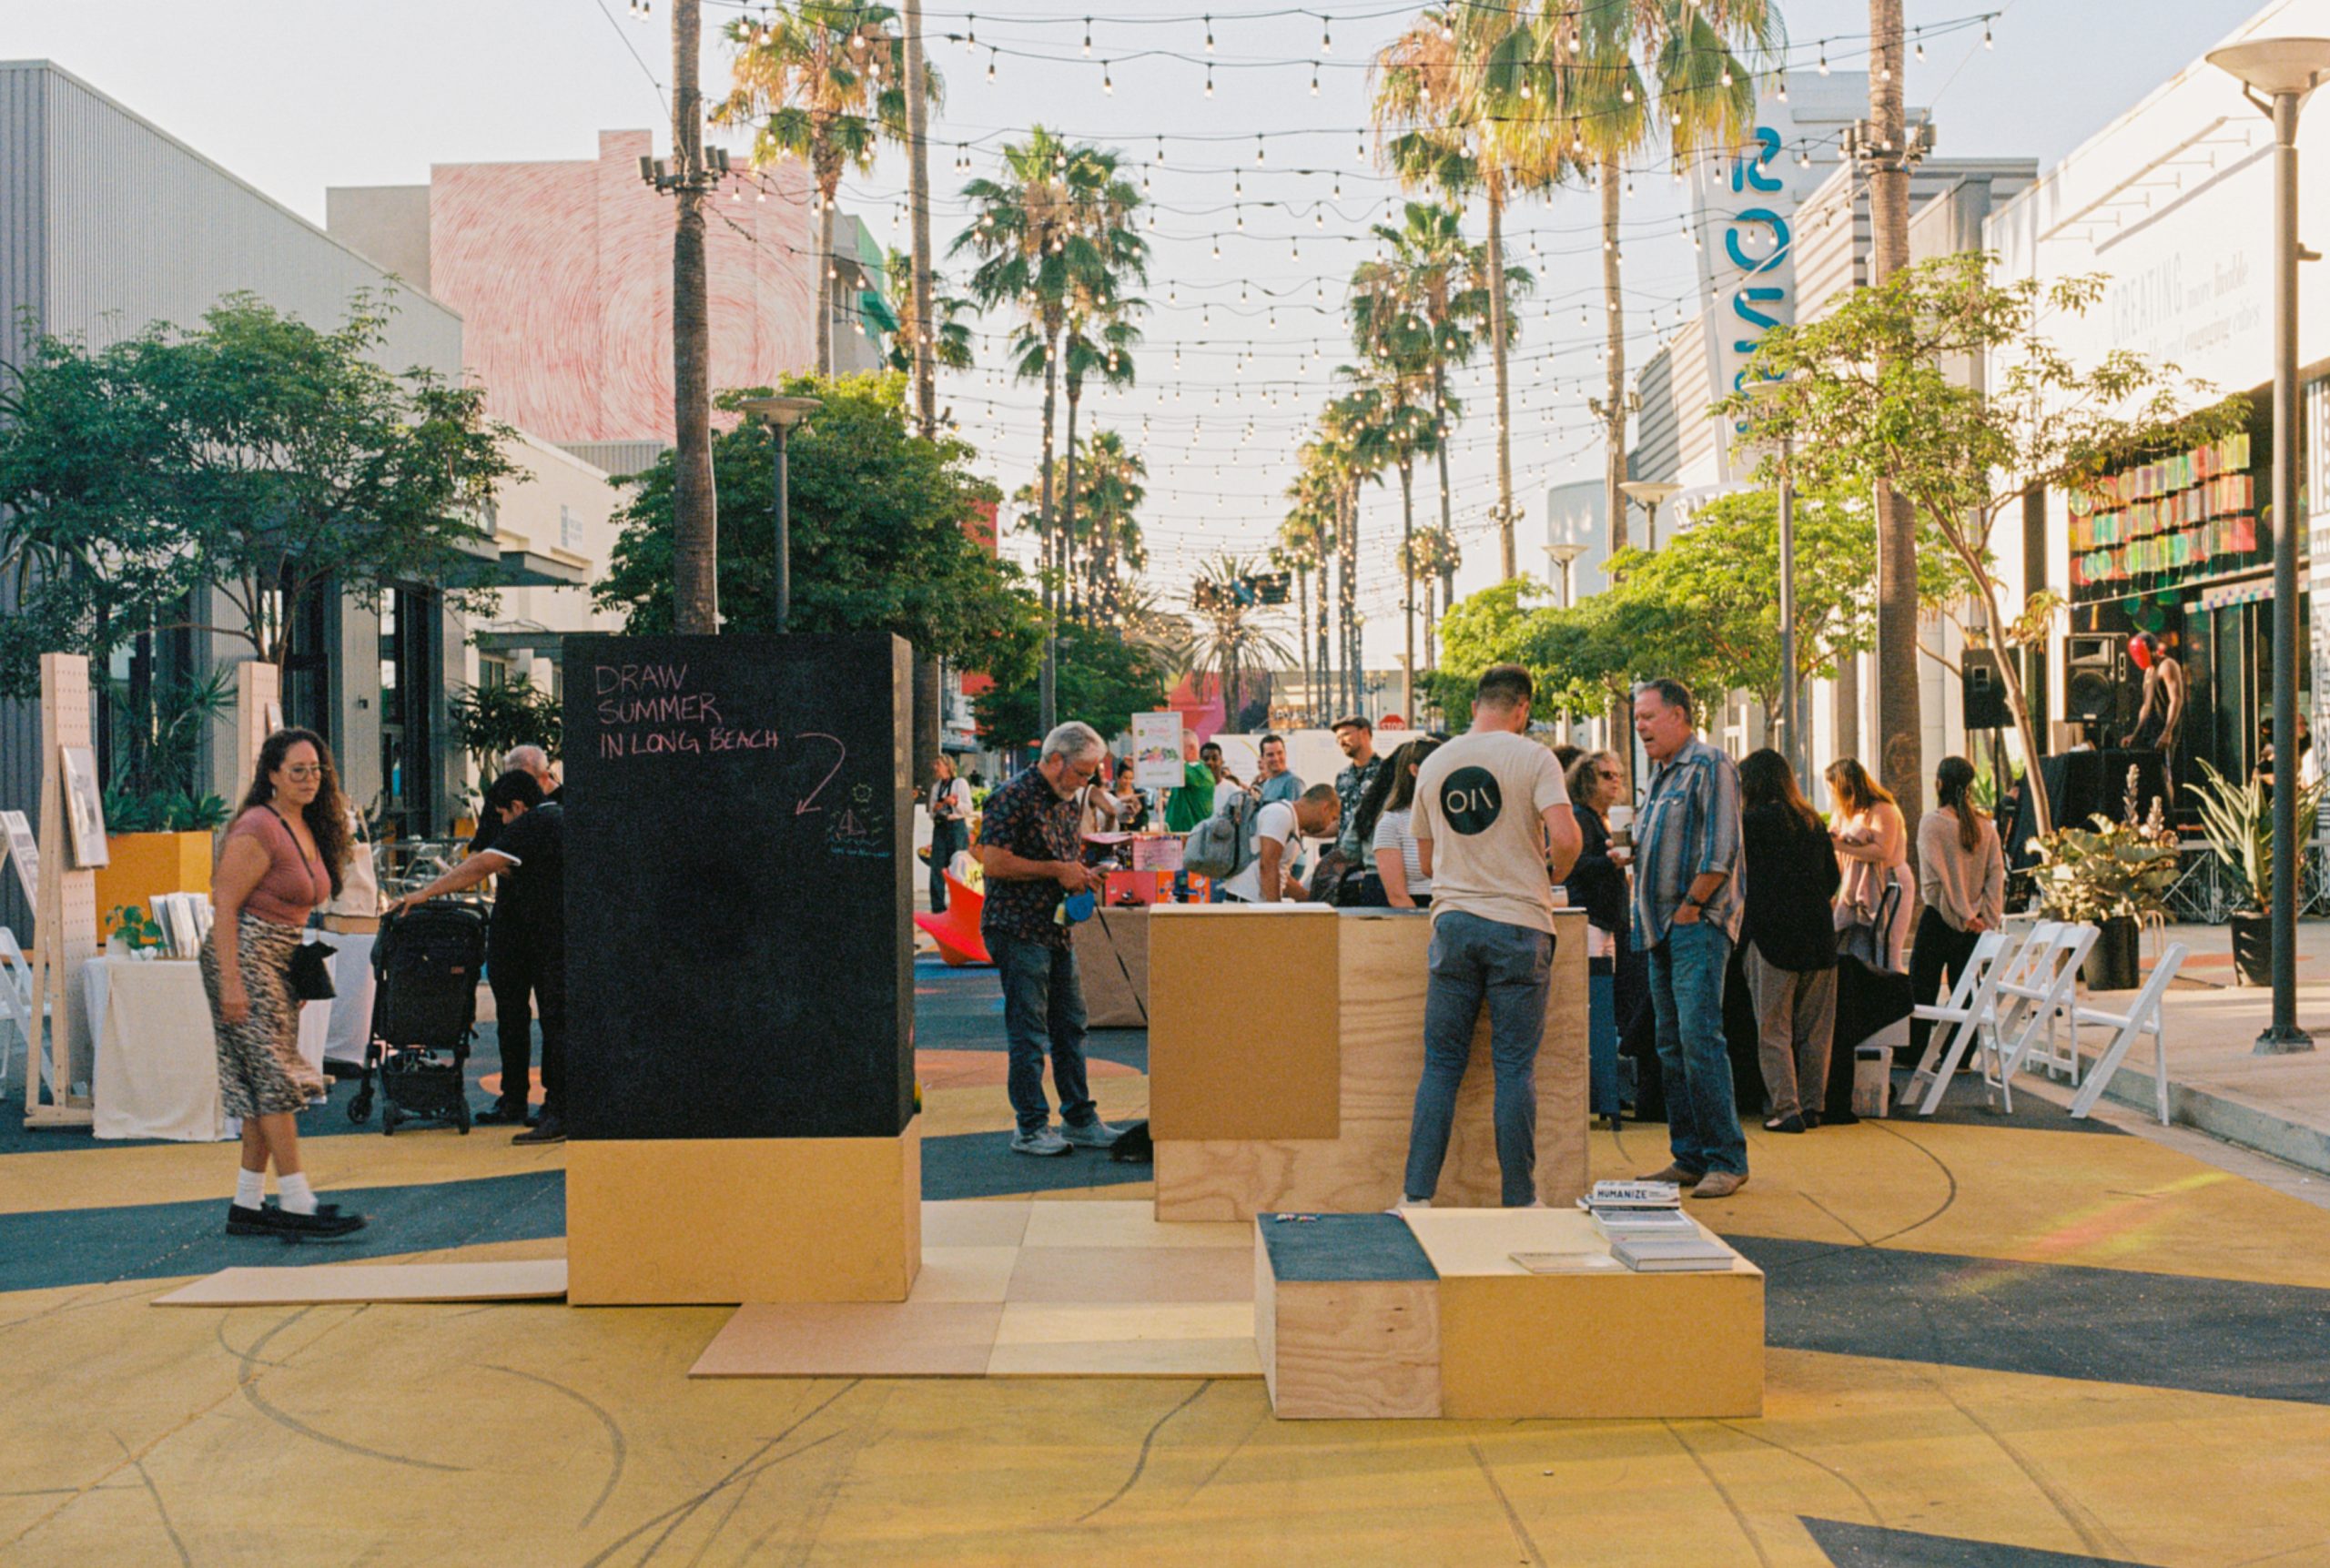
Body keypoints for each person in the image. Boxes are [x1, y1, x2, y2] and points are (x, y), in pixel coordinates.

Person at [1399, 665, 1583, 1209]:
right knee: (1513, 1068)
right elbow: (1568, 838)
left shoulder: (1435, 762)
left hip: (1453, 923)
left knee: (1441, 1066)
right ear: (1522, 707)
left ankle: (1415, 1197)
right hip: (1521, 925)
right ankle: (1520, 1201)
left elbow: (1426, 860)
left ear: (1478, 704)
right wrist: (1548, 874)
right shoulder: (1534, 758)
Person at [205, 728, 364, 1239]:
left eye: (316, 769)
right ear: (271, 775)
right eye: (297, 770)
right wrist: (232, 981)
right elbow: (225, 905)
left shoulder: (307, 823)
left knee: (259, 1087)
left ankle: (248, 1203)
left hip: (279, 957)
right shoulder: (259, 826)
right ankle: (297, 1200)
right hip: (245, 952)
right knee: (276, 1081)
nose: (310, 779)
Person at [387, 770, 570, 1143]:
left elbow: (481, 864)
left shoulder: (535, 820)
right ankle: (556, 1105)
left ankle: (560, 1110)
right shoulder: (562, 817)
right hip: (560, 935)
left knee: (554, 1020)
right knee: (556, 1019)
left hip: (548, 936)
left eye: (503, 814)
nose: (502, 822)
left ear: (518, 806)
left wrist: (426, 893)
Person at [976, 723, 1127, 1157]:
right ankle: (1030, 1127)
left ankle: (1078, 1118)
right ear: (1056, 759)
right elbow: (994, 863)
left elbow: (1059, 856)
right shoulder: (1011, 795)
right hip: (1016, 926)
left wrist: (1079, 876)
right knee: (1028, 1029)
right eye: (1083, 772)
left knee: (1070, 1025)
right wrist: (1057, 872)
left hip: (1054, 926)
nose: (1088, 782)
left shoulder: (1066, 798)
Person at [1631, 679, 1748, 1199]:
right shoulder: (1659, 775)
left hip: (1695, 926)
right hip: (1660, 929)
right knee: (1671, 1045)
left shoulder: (1709, 765)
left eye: (1649, 717)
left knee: (1700, 1040)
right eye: (1637, 718)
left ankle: (1726, 1159)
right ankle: (1690, 1157)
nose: (1640, 726)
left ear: (1680, 715)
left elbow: (1719, 849)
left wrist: (1692, 906)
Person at [1737, 749, 1841, 1134]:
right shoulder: (1811, 821)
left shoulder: (1749, 822)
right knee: (1816, 1029)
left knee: (1773, 1027)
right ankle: (1815, 1105)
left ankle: (1786, 1107)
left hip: (1770, 935)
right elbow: (1832, 877)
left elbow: (1737, 878)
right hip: (1819, 936)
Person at [1908, 755, 2006, 1067]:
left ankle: (1914, 1052)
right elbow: (1995, 875)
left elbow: (1936, 880)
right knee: (1965, 989)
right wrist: (1982, 918)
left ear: (1939, 783)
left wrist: (1960, 913)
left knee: (1922, 985)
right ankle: (1959, 1055)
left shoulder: (1932, 823)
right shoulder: (1986, 827)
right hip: (1974, 924)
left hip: (1939, 917)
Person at [1827, 757, 1913, 974]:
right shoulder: (1844, 813)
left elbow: (1882, 851)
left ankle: (1894, 1000)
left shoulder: (1882, 809)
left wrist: (1842, 846)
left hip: (1888, 880)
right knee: (1856, 949)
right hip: (1853, 886)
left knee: (1887, 947)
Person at [1220, 784, 1341, 903]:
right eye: (1333, 818)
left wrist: (1309, 899)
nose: (1329, 825)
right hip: (1248, 902)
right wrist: (1277, 913)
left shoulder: (1290, 821)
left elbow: (1280, 873)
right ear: (1325, 808)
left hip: (1255, 903)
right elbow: (1268, 865)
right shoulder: (1281, 814)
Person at [1373, 737, 1443, 909]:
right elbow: (1397, 896)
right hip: (1417, 911)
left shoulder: (1452, 815)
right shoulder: (1392, 823)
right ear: (1415, 770)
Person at [468, 744, 559, 856]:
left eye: (525, 781)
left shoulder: (559, 806)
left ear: (544, 777)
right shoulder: (501, 796)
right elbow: (481, 843)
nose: (515, 786)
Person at [1331, 714, 1383, 862]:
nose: (1342, 742)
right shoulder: (1342, 777)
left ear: (1365, 733)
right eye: (1338, 738)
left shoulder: (1386, 772)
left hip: (1373, 857)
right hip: (1344, 858)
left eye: (1346, 734)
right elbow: (1340, 821)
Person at [927, 756, 973, 914]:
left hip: (956, 827)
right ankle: (938, 908)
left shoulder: (960, 783)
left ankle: (960, 906)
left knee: (958, 868)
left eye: (938, 764)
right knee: (937, 868)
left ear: (947, 766)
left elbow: (968, 809)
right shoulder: (936, 787)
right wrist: (937, 808)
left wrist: (954, 803)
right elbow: (932, 811)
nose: (935, 767)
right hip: (940, 827)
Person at [1163, 730, 1219, 835]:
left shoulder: (1200, 772)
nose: (1174, 753)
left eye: (1176, 748)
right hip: (1180, 838)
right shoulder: (1187, 772)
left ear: (1192, 748)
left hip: (1193, 839)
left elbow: (1170, 764)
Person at [1253, 733, 1304, 806]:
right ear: (1262, 758)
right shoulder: (1267, 784)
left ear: (1285, 753)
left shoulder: (1293, 782)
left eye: (1280, 753)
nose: (1276, 758)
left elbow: (1300, 814)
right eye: (1270, 755)